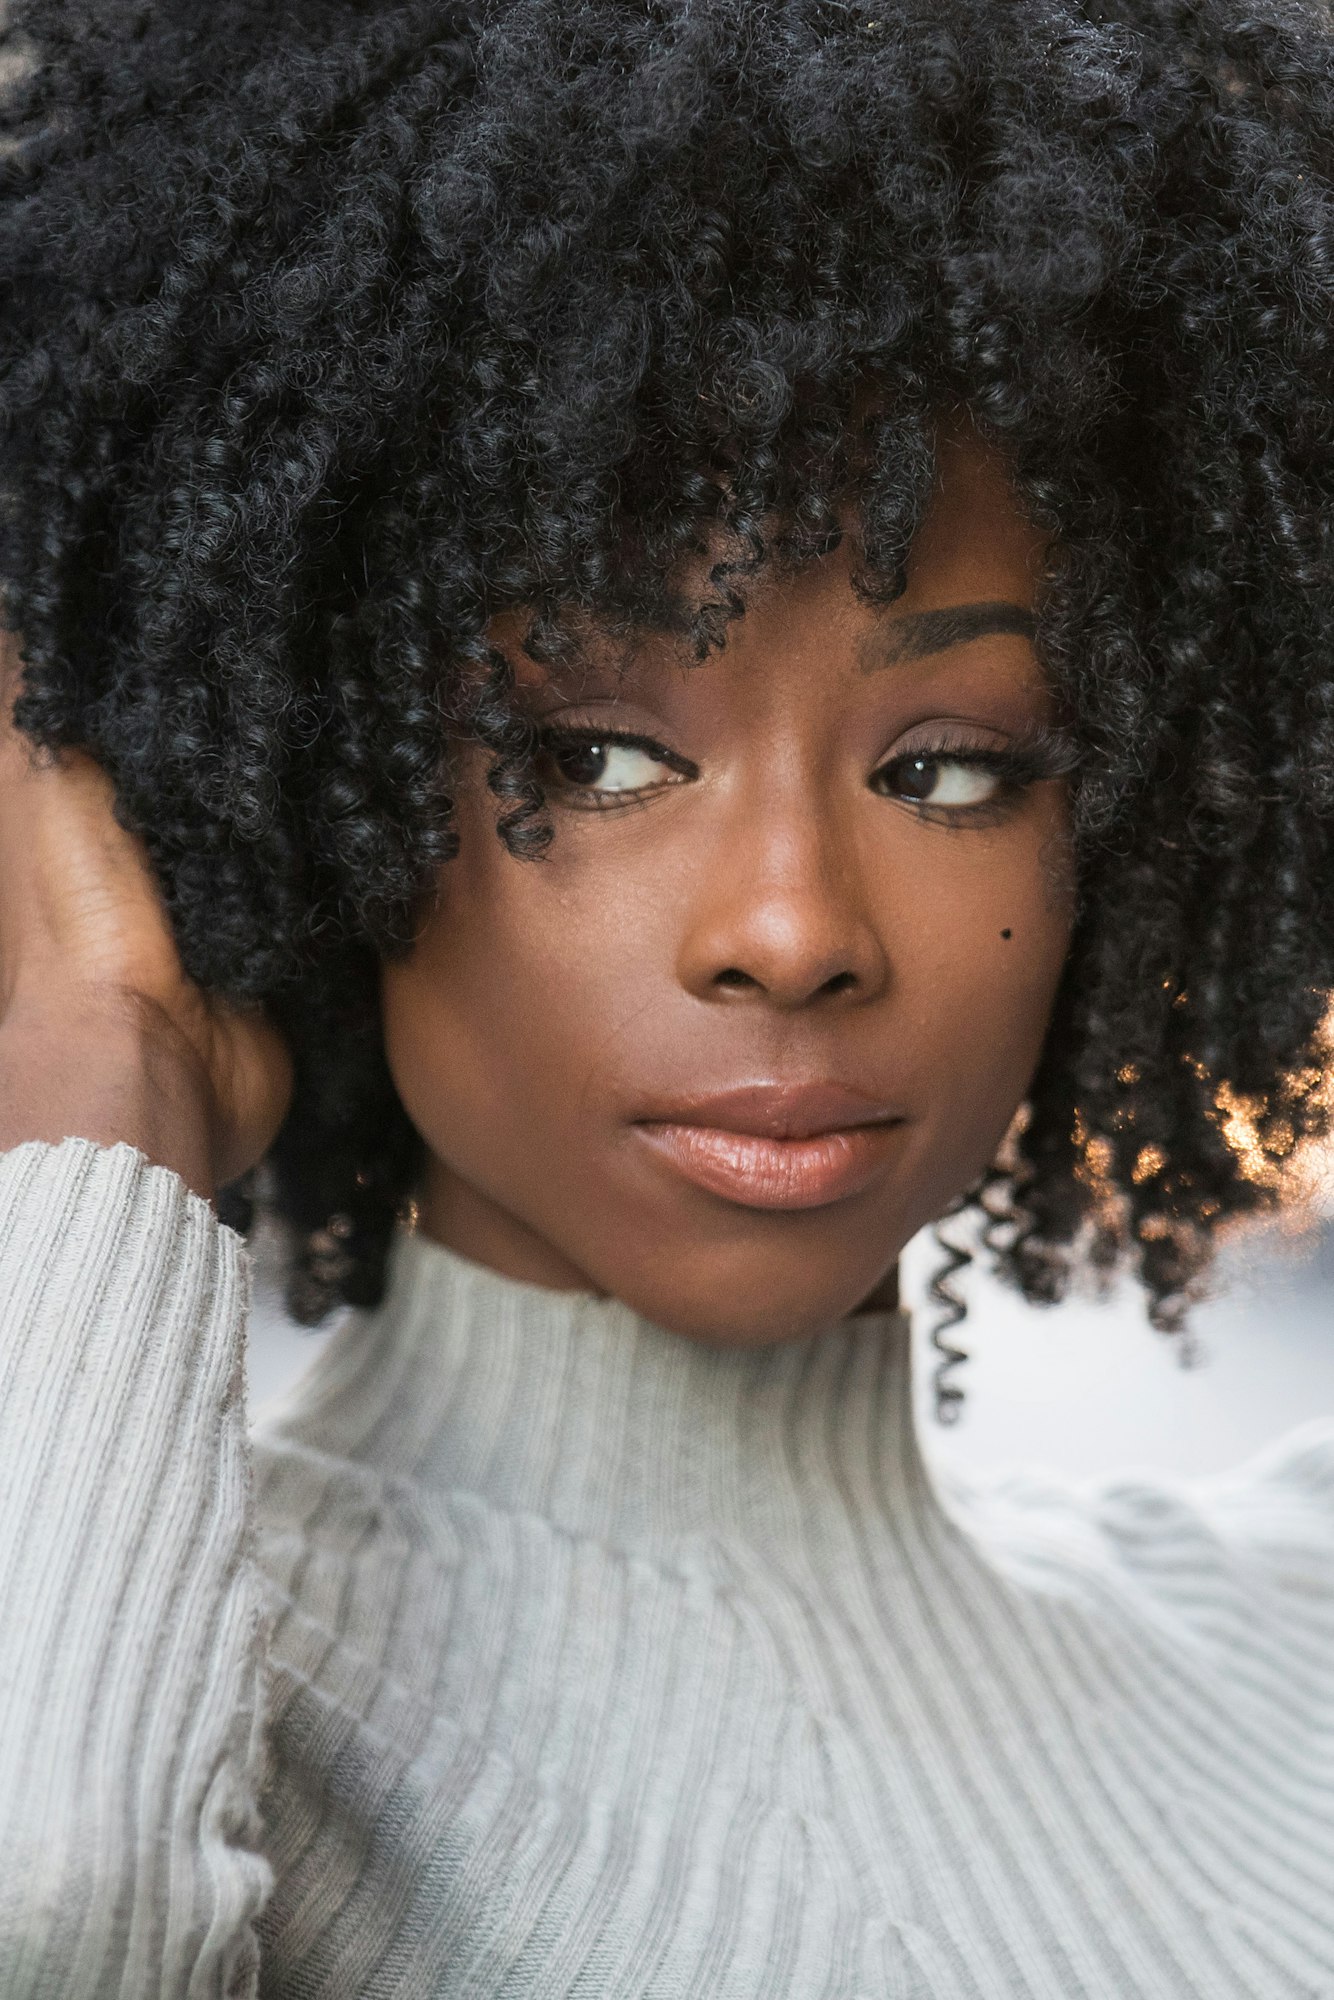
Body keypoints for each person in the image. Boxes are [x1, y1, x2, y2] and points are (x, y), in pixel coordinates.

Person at [1, 0, 1333, 1993]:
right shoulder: (163, 1688)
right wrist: (103, 1068)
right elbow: (57, 1918)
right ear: (296, 776)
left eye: (951, 766)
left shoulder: (1281, 1633)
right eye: (592, 758)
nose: (791, 929)